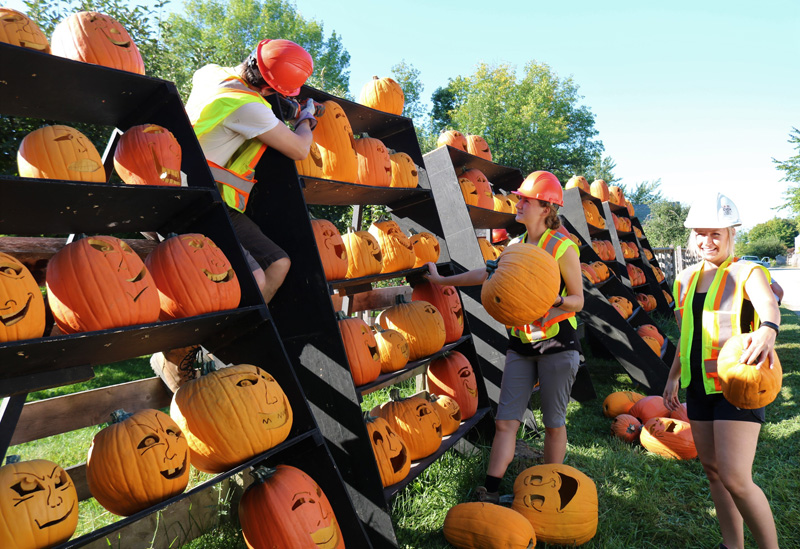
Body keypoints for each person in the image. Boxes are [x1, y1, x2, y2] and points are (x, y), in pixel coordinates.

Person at [151, 39, 317, 392]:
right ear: (272, 88)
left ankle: (224, 345)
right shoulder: (249, 108)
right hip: (188, 202)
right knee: (252, 281)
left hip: (210, 198)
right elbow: (300, 149)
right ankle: (177, 352)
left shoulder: (211, 75)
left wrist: (278, 106)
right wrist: (306, 119)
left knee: (278, 264)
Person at [425, 171, 584, 503]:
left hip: (557, 346)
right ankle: (491, 490)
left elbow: (578, 300)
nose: (519, 202)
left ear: (545, 208)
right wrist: (443, 281)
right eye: (520, 197)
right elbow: (488, 273)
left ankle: (550, 495)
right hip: (521, 346)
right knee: (505, 422)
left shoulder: (563, 247)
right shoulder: (515, 245)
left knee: (554, 424)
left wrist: (554, 301)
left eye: (526, 199)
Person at [663, 191, 780, 549]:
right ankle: (732, 545)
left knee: (736, 477)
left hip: (737, 387)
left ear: (731, 234)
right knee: (714, 473)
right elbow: (687, 337)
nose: (707, 240)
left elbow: (769, 308)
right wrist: (672, 378)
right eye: (700, 232)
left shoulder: (749, 272)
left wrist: (768, 330)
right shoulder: (683, 279)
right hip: (698, 387)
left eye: (716, 233)